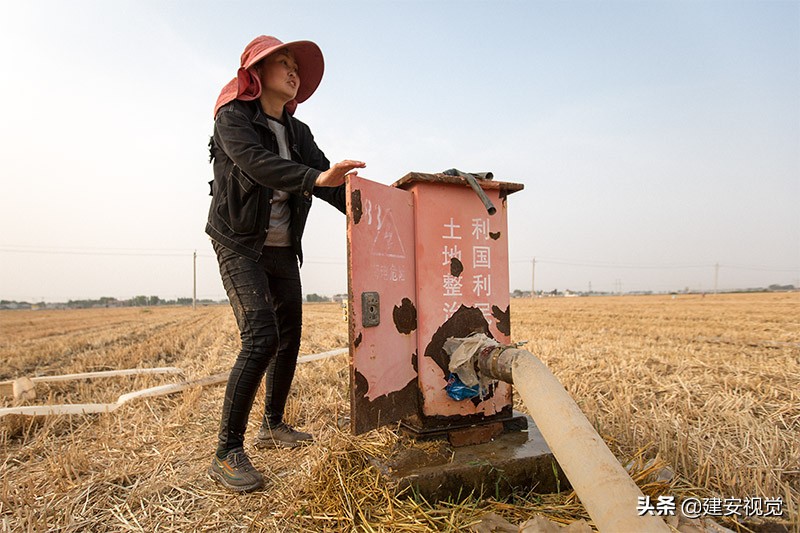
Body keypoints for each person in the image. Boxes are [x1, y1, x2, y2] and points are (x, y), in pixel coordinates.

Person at [205, 35, 365, 493]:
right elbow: (256, 165)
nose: (294, 72)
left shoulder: (298, 133)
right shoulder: (234, 118)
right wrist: (315, 178)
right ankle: (226, 451)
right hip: (240, 242)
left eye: (297, 66)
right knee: (260, 336)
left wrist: (378, 207)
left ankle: (272, 425)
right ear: (256, 71)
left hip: (281, 248)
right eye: (284, 63)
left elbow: (333, 186)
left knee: (289, 336)